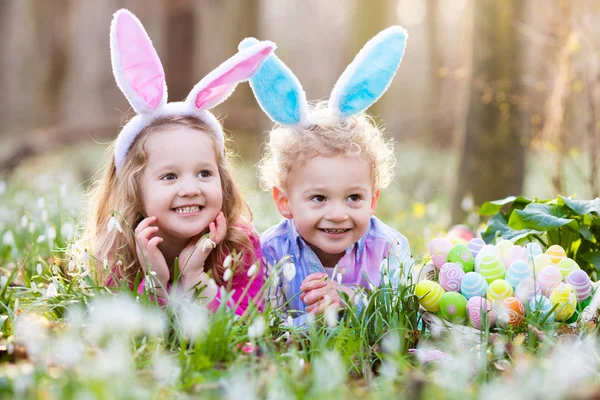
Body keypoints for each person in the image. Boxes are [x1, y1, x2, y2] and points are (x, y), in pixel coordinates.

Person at [82, 9, 275, 315]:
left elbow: (248, 330)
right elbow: (132, 339)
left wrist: (196, 278)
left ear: (222, 181)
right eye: (170, 176)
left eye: (204, 173)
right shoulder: (116, 251)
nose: (190, 188)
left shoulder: (240, 245)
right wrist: (157, 280)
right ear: (134, 190)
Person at [240, 26, 412, 324]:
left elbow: (404, 315)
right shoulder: (271, 251)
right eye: (319, 198)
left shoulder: (387, 247)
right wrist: (313, 323)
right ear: (284, 201)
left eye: (354, 197)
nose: (337, 214)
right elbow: (264, 324)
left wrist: (350, 298)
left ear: (373, 200)